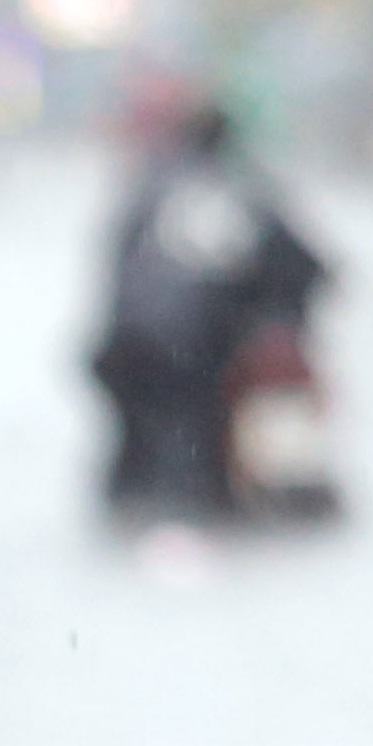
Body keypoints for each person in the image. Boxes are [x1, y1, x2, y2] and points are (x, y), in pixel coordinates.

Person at [90, 91, 329, 522]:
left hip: (131, 347)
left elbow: (119, 266)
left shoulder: (153, 185)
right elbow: (302, 264)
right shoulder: (245, 190)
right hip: (202, 348)